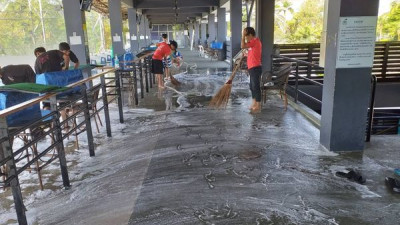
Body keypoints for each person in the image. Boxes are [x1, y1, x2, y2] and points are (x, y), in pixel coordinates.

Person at [241, 27, 262, 113]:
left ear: (250, 35)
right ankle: (254, 103)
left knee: (256, 86)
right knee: (252, 87)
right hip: (252, 68)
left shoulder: (254, 41)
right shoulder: (253, 43)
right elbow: (252, 53)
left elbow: (242, 46)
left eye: (246, 36)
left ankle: (258, 105)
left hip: (255, 68)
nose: (245, 38)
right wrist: (246, 54)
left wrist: (242, 36)